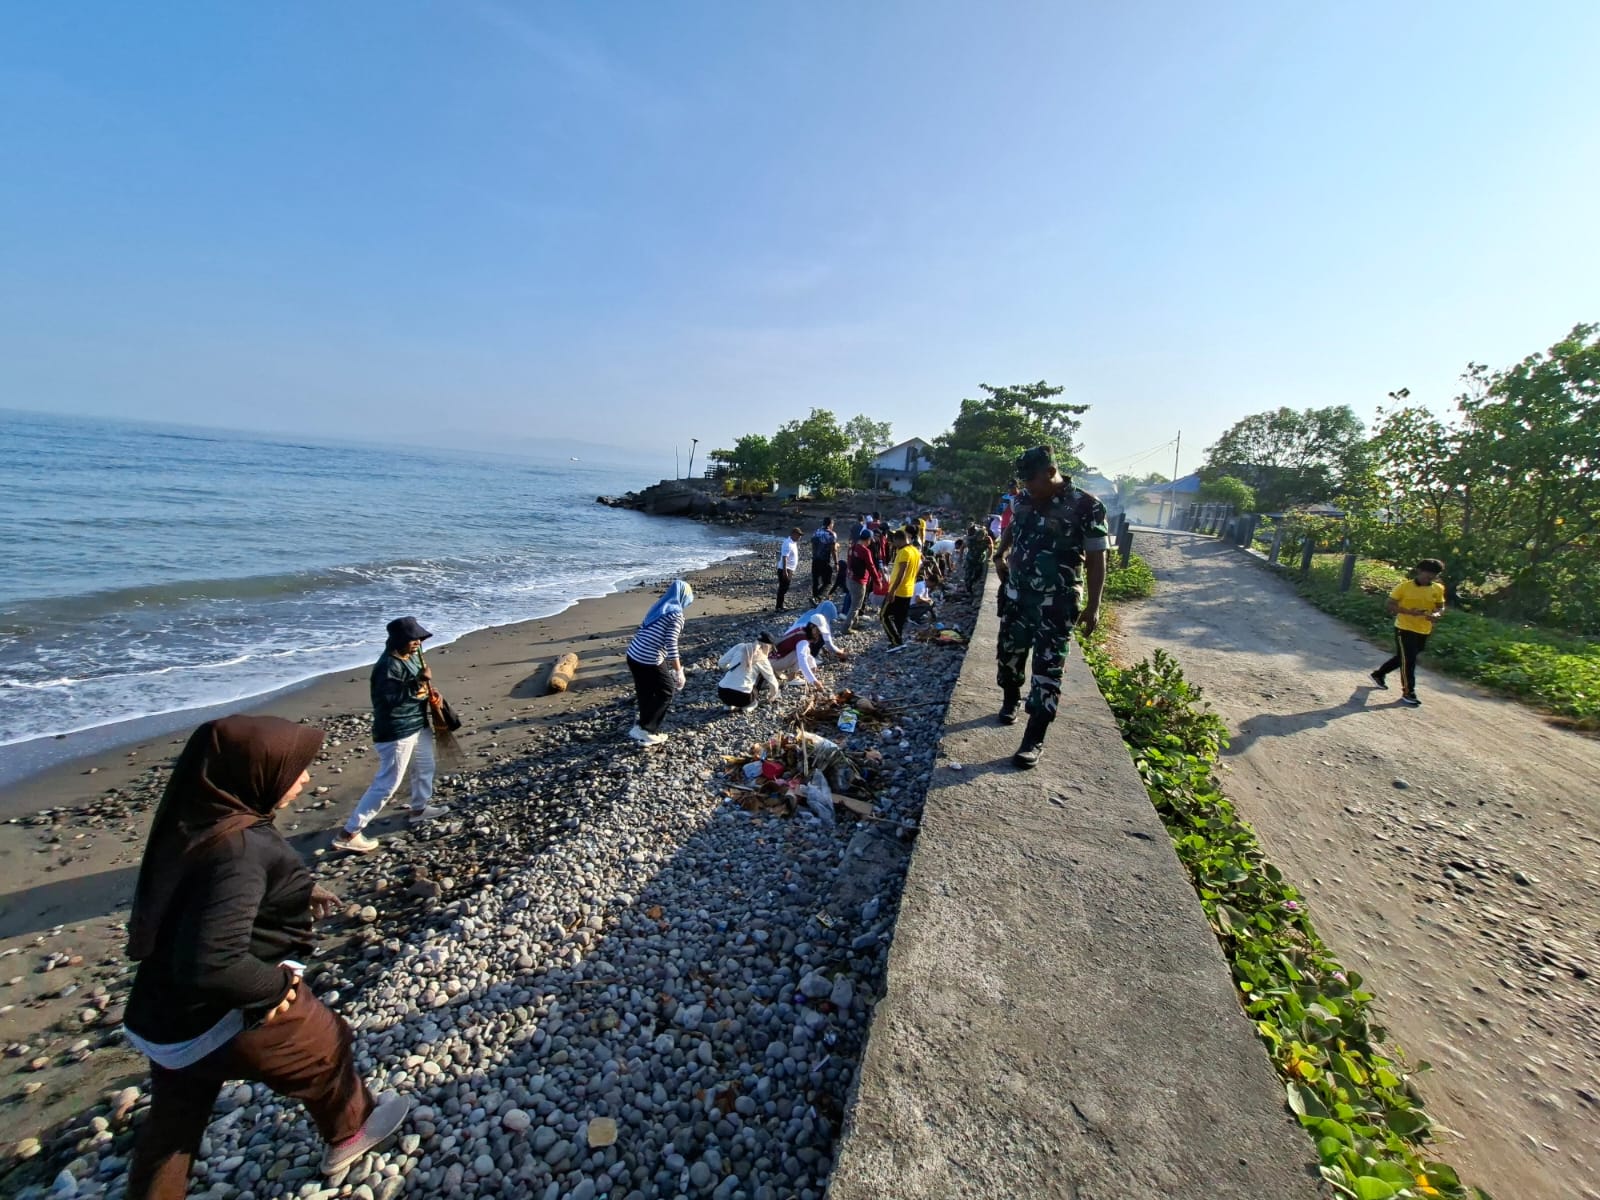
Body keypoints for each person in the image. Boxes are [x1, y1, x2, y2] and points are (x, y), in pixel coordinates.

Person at [123, 716, 410, 1199]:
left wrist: (300, 890)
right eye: (294, 770)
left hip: (161, 1016)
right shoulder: (239, 851)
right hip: (221, 1010)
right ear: (252, 775)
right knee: (325, 1044)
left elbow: (209, 904)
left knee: (175, 1121)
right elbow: (212, 962)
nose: (304, 779)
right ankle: (352, 1131)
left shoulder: (198, 822)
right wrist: (278, 990)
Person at [994, 447, 1109, 769]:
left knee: (1048, 670)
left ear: (1050, 472)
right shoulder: (1024, 499)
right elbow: (1013, 527)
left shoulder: (1087, 507)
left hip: (1057, 603)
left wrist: (1094, 605)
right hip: (1017, 596)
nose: (1027, 487)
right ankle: (1010, 699)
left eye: (1032, 480)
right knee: (1009, 656)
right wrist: (1000, 553)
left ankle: (1034, 736)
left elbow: (1098, 558)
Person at [333, 617, 447, 855]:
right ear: (398, 641)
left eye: (418, 638)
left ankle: (419, 809)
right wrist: (417, 682)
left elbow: (418, 687)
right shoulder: (387, 667)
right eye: (411, 639)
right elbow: (387, 701)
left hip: (418, 722)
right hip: (396, 730)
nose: (417, 642)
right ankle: (349, 833)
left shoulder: (415, 655)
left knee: (425, 766)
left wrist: (429, 692)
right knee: (388, 782)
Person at [1370, 559, 1447, 707]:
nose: (1430, 577)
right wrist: (1409, 612)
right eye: (1428, 573)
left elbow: (1440, 606)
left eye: (1434, 574)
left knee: (1404, 657)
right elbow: (1390, 605)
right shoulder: (1404, 587)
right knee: (1409, 660)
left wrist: (1437, 615)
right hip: (1404, 627)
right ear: (1419, 571)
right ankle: (1408, 692)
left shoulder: (1438, 588)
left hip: (1424, 629)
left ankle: (1378, 674)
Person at [625, 580, 693, 745]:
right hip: (648, 658)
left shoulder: (659, 607)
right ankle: (647, 730)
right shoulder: (676, 615)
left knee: (645, 691)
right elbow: (671, 643)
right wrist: (679, 671)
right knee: (666, 691)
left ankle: (641, 726)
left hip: (633, 654)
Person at [717, 633, 780, 710]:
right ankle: (750, 705)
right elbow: (772, 682)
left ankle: (728, 705)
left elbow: (721, 663)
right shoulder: (763, 659)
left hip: (722, 693)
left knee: (732, 686)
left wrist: (731, 668)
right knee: (762, 676)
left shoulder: (740, 646)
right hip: (743, 697)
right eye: (771, 649)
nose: (770, 652)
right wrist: (772, 696)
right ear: (767, 646)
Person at [881, 530, 921, 649]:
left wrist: (892, 591)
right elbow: (918, 568)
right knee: (899, 617)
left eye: (894, 541)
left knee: (884, 615)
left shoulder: (904, 552)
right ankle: (898, 640)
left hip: (898, 591)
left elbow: (901, 574)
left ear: (899, 540)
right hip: (908, 590)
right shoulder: (915, 551)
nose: (894, 544)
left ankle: (896, 641)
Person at [845, 527, 883, 633]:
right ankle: (846, 627)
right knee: (856, 605)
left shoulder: (852, 547)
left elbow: (849, 562)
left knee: (854, 602)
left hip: (850, 578)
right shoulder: (865, 551)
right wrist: (878, 581)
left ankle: (855, 623)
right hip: (859, 581)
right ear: (868, 540)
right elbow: (871, 566)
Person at [769, 622, 828, 689]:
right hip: (773, 662)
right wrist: (814, 681)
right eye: (818, 630)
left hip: (772, 658)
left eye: (820, 631)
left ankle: (776, 673)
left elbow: (806, 653)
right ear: (812, 626)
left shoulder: (801, 630)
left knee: (805, 650)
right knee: (799, 654)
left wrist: (812, 665)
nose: (818, 633)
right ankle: (791, 679)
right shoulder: (803, 640)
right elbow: (802, 660)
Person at [810, 518, 839, 604]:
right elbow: (833, 550)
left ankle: (815, 599)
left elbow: (813, 545)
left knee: (815, 581)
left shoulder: (816, 532)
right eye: (833, 525)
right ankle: (817, 598)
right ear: (830, 524)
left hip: (815, 560)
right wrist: (836, 563)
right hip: (824, 560)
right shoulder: (831, 534)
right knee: (828, 582)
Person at [776, 527, 802, 612]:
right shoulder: (788, 543)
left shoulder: (793, 543)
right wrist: (784, 571)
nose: (799, 537)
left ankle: (780, 605)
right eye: (798, 535)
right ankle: (779, 607)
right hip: (785, 569)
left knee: (785, 587)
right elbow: (784, 557)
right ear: (793, 534)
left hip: (789, 569)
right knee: (783, 588)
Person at [965, 523, 995, 594]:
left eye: (981, 537)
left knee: (978, 574)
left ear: (985, 536)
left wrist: (990, 557)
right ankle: (968, 589)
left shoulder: (988, 539)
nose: (979, 539)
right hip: (970, 559)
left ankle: (973, 584)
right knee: (968, 575)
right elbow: (963, 546)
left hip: (980, 559)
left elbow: (991, 548)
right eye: (978, 537)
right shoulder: (971, 539)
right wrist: (960, 557)